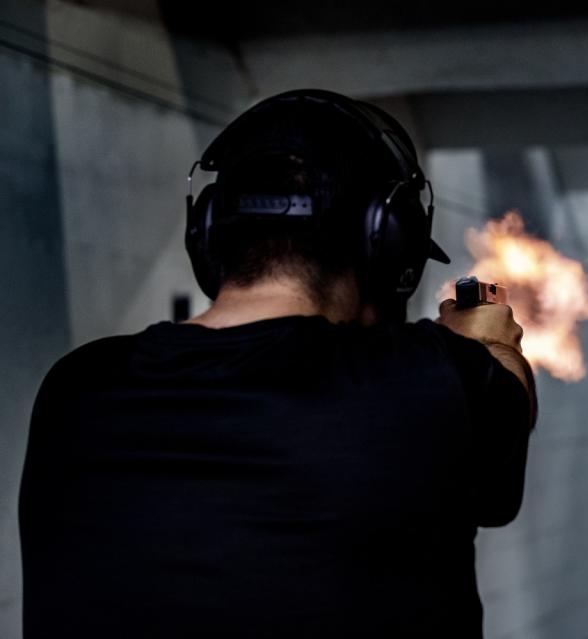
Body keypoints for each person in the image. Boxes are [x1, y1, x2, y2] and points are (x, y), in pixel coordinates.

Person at [19, 90, 536, 638]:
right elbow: (500, 460)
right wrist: (489, 344)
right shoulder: (426, 385)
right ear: (386, 242)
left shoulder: (74, 393)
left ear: (209, 231)